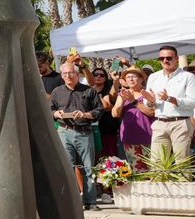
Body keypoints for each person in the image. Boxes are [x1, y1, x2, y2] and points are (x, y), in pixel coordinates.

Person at [50, 63, 103, 210]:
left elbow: (99, 110)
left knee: (88, 167)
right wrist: (56, 114)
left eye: (71, 73)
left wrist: (85, 114)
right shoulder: (56, 91)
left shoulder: (89, 90)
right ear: (61, 75)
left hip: (84, 131)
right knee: (67, 168)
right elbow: (50, 109)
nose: (68, 76)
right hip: (64, 130)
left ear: (77, 74)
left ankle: (90, 201)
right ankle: (70, 202)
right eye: (65, 73)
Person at [145, 45, 195, 160]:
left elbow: (193, 102)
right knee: (157, 163)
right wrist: (150, 101)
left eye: (169, 58)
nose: (165, 61)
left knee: (181, 163)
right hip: (159, 123)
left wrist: (170, 99)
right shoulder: (153, 77)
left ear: (176, 58)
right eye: (161, 58)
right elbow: (149, 103)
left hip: (180, 123)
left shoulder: (188, 77)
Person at [111, 67, 154, 169]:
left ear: (141, 79)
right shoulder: (123, 94)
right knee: (136, 170)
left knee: (152, 170)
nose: (131, 79)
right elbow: (114, 114)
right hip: (130, 138)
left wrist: (133, 101)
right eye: (128, 77)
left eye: (134, 76)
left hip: (148, 137)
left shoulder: (146, 93)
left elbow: (151, 112)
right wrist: (121, 101)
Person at [88, 66, 121, 163]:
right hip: (91, 128)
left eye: (102, 75)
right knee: (95, 155)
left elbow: (106, 106)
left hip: (108, 127)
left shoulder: (108, 90)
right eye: (95, 74)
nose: (98, 76)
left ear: (105, 78)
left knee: (111, 157)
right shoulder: (86, 90)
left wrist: (96, 93)